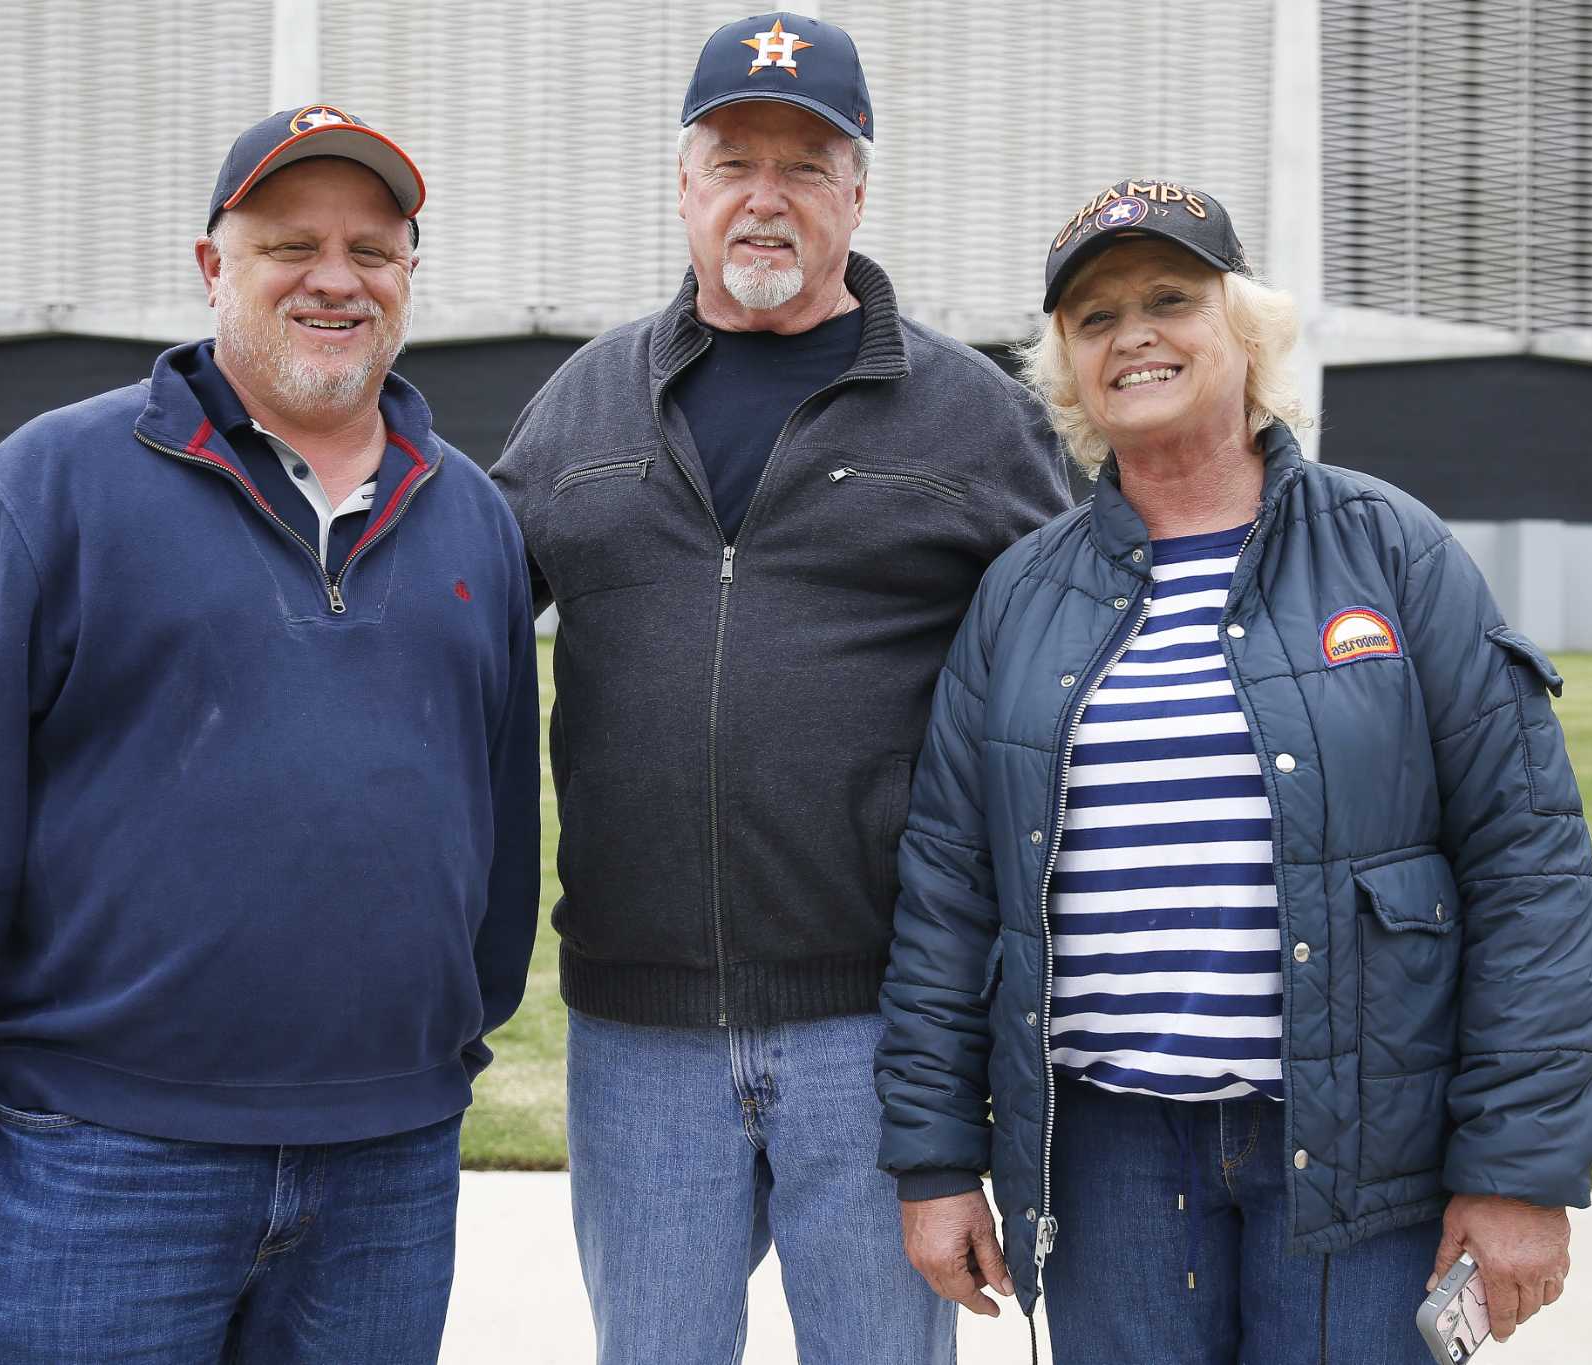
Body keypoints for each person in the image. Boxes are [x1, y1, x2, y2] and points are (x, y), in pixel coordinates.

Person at [0, 106, 538, 1364]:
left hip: (388, 1167)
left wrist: (446, 1041)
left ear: (410, 277)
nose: (334, 277)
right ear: (214, 267)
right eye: (290, 244)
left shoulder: (469, 514)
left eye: (373, 249)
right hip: (99, 1163)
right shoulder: (50, 485)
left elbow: (497, 809)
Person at [875, 179, 1592, 1361]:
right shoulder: (1019, 596)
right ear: (1065, 365)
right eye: (1096, 318)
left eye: (1170, 299)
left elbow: (1528, 869)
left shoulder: (1391, 551)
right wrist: (935, 1160)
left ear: (1245, 333)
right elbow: (947, 896)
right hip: (1102, 1157)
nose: (1136, 336)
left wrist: (1517, 1176)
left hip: (1360, 1151)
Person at [490, 13, 1071, 1361]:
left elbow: (1073, 666)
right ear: (682, 185)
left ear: (858, 191)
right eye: (732, 158)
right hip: (637, 1030)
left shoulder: (971, 416)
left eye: (807, 163)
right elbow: (443, 629)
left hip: (875, 1029)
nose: (767, 195)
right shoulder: (584, 404)